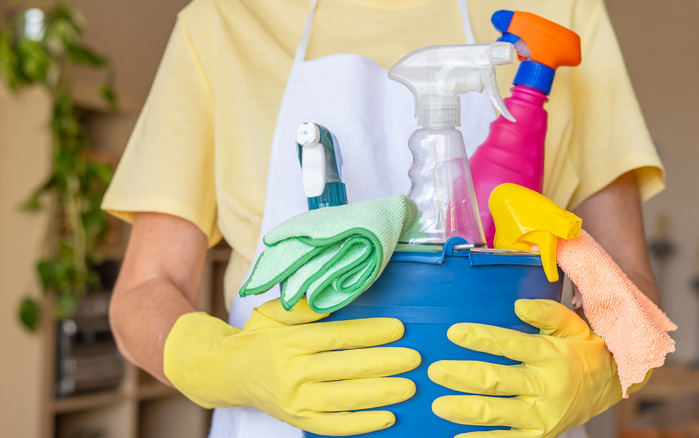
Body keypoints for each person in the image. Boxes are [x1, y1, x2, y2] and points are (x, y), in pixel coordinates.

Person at [103, 0, 664, 437]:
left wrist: (601, 371)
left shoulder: (563, 13)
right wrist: (229, 364)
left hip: (504, 423)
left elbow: (628, 280)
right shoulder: (222, 23)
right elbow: (146, 289)